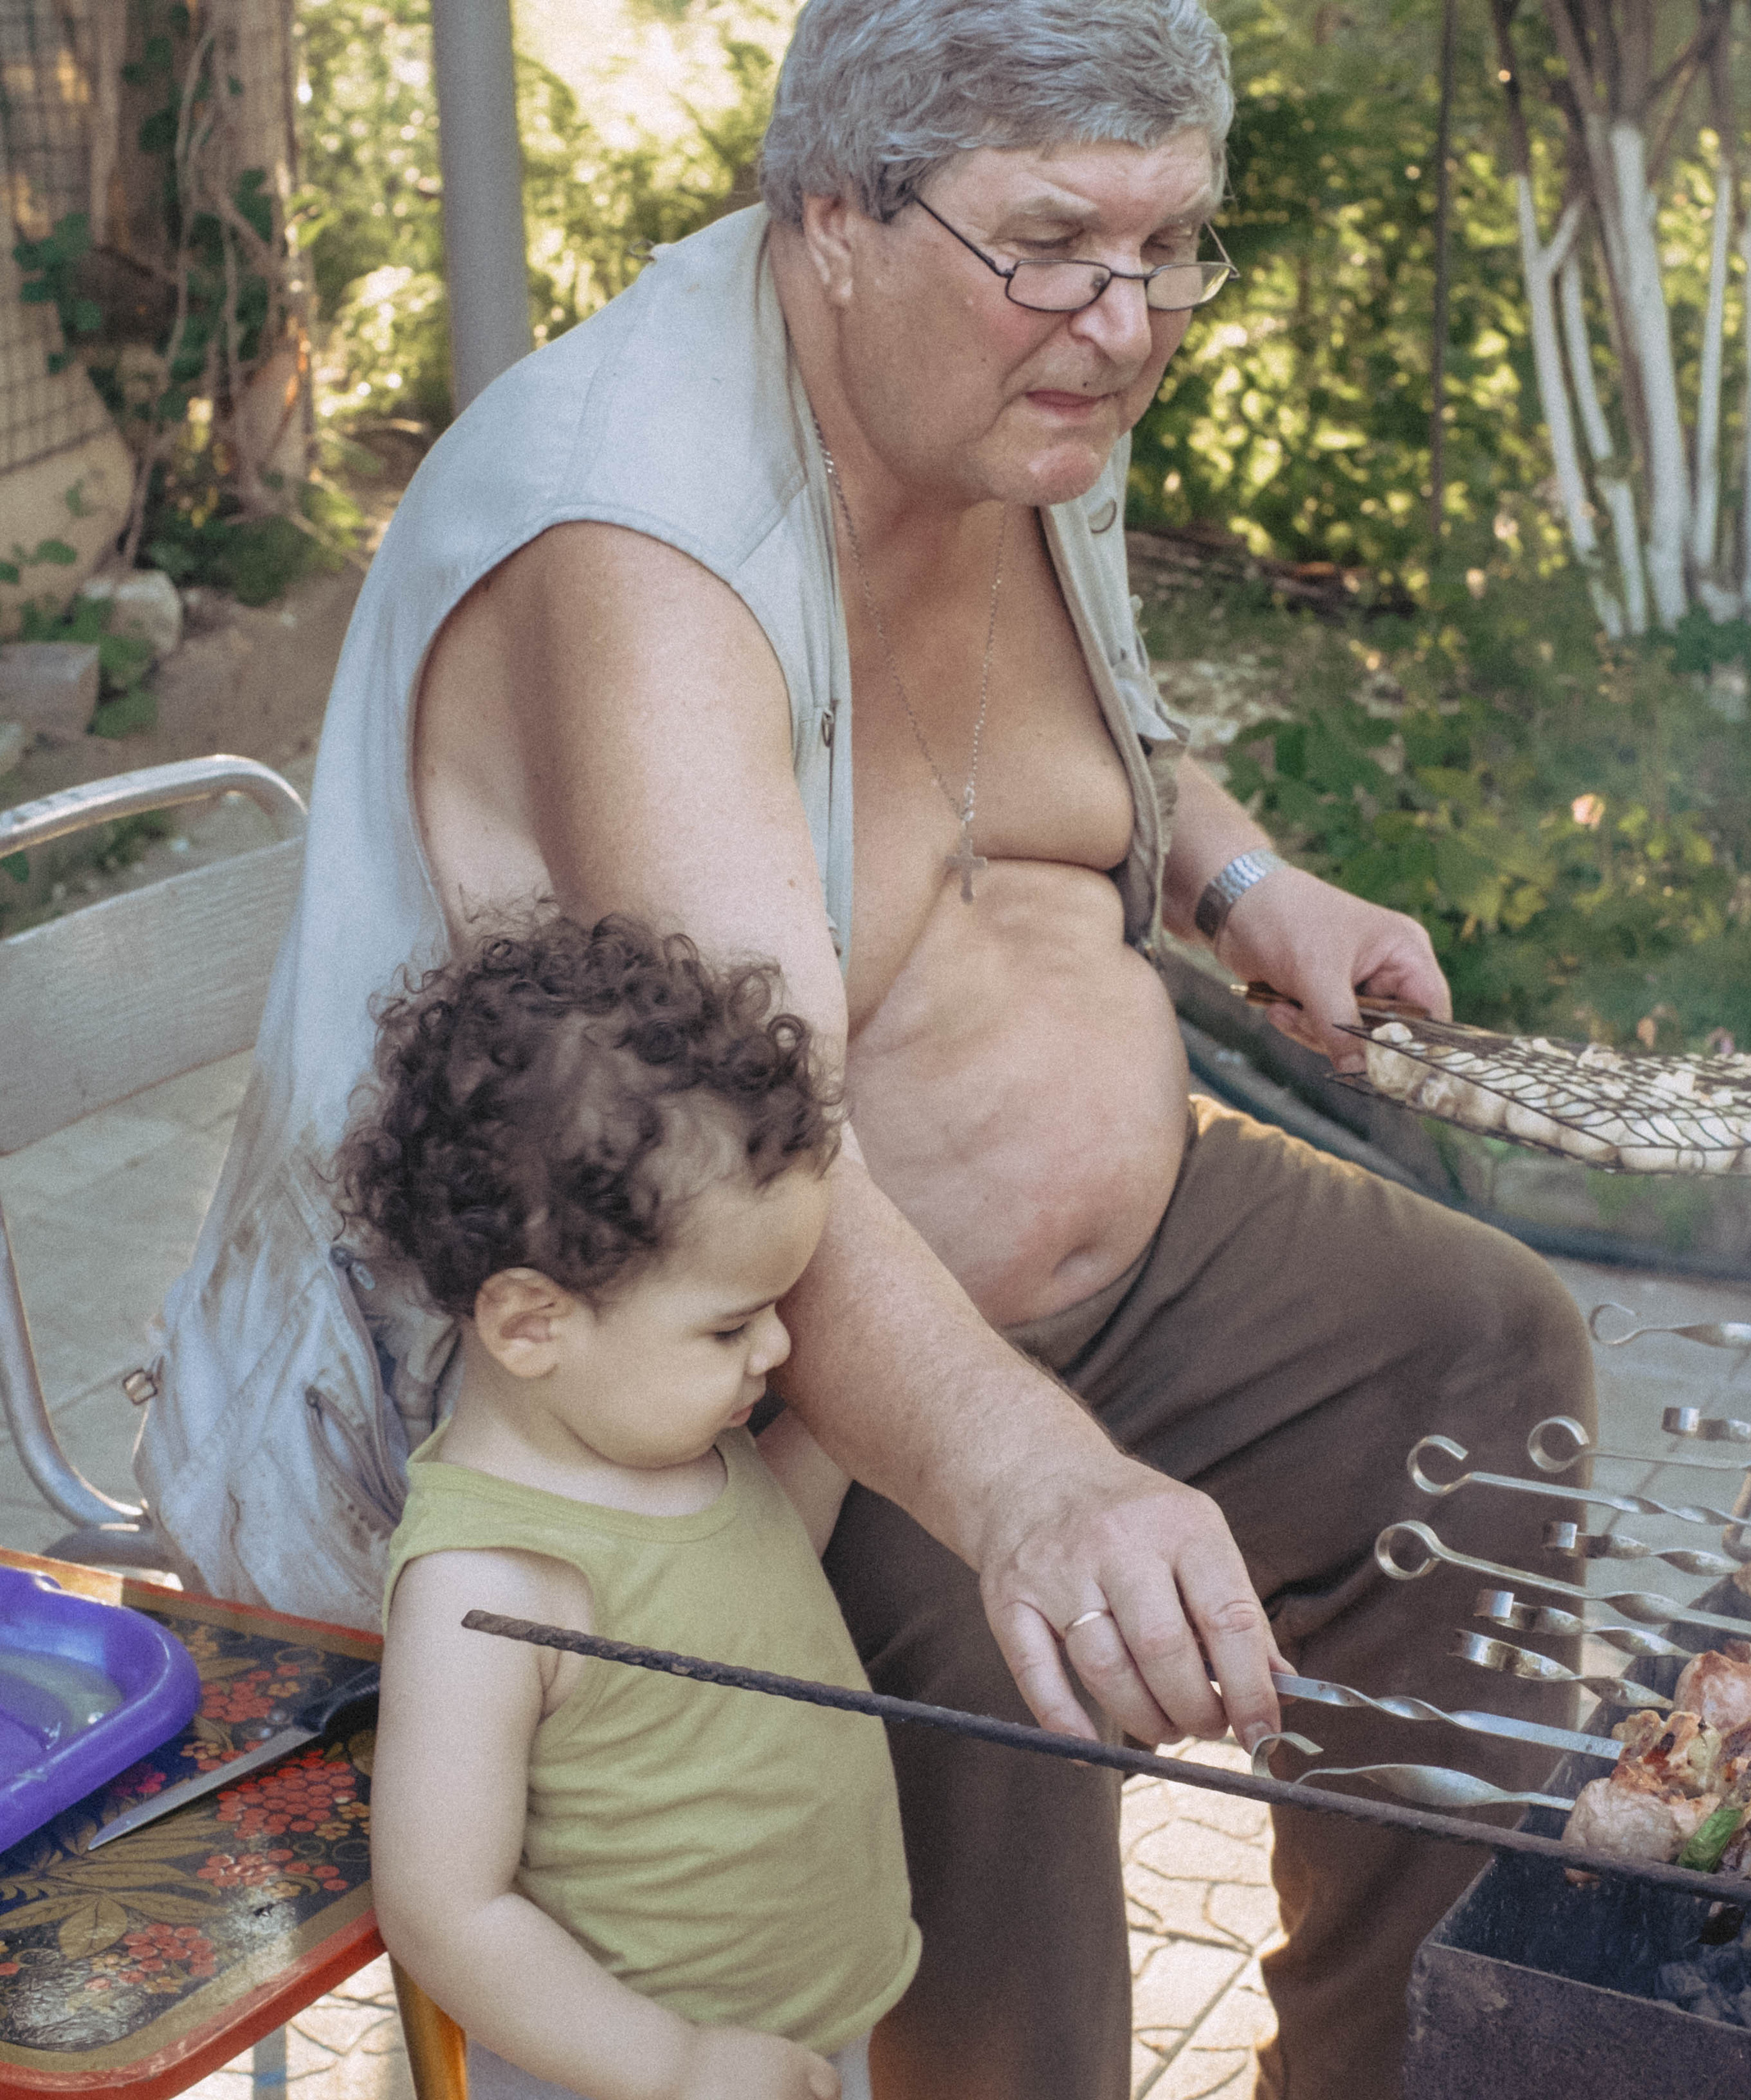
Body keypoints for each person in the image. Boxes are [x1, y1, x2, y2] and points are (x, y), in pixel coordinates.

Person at [143, 0, 1595, 2089]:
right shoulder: (636, 551)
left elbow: (1067, 747)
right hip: (697, 1360)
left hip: (1084, 1251)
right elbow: (735, 1151)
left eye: (1168, 244)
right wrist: (1040, 1484)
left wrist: (1246, 890)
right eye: (1056, 242)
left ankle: (1391, 2067)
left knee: (1478, 1348)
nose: (1125, 321)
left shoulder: (1003, 389)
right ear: (831, 211)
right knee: (986, 1647)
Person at [356, 913, 912, 2100]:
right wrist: (674, 2063)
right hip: (619, 2070)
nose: (778, 1345)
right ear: (532, 1324)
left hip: (798, 2032)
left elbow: (740, 1583)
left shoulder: (674, 1438)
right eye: (730, 1325)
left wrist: (863, 1429)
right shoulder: (485, 1583)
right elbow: (443, 1908)